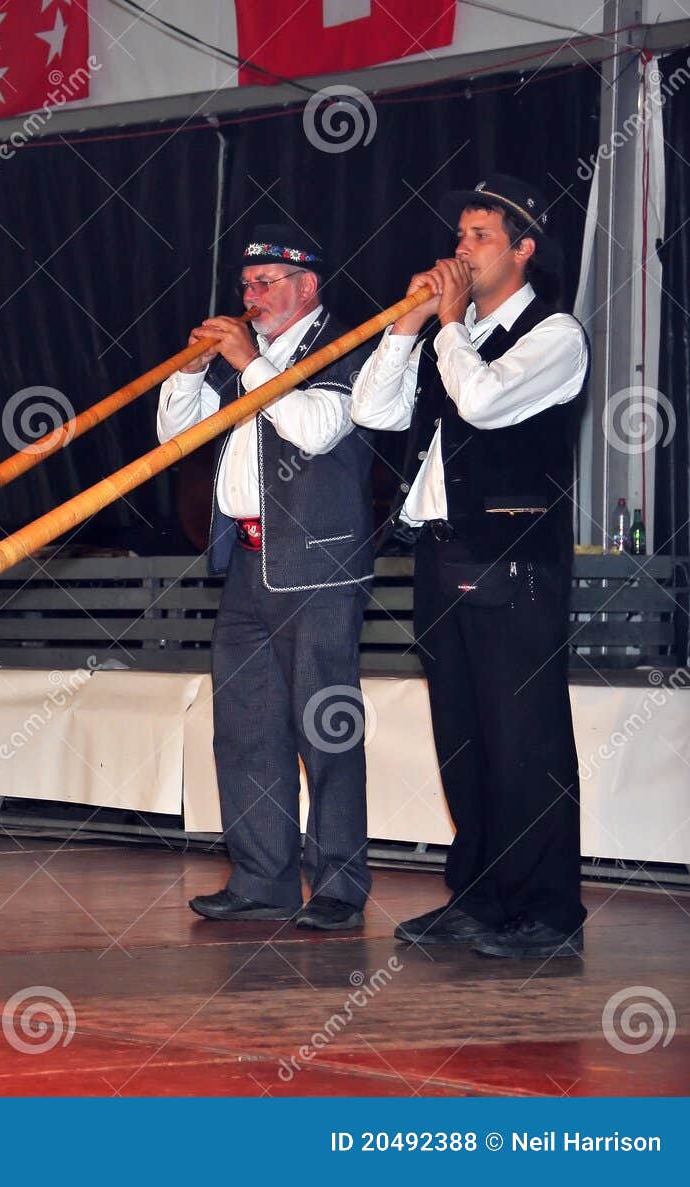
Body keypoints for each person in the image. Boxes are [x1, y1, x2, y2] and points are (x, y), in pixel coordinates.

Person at [350, 175, 589, 959]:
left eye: (480, 236)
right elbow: (372, 413)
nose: (462, 249)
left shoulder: (555, 335)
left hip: (513, 563)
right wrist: (409, 324)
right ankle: (480, 896)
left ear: (523, 249)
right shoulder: (447, 335)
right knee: (465, 739)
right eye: (459, 235)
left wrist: (448, 323)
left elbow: (483, 403)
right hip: (441, 552)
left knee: (525, 742)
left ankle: (547, 913)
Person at [158, 224, 376, 931]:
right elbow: (174, 435)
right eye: (245, 285)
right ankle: (261, 876)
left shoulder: (349, 343)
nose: (250, 296)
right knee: (247, 727)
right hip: (247, 560)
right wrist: (190, 370)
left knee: (326, 728)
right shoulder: (241, 358)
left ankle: (341, 883)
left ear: (307, 286)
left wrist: (250, 362)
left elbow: (314, 428)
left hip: (318, 564)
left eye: (266, 283)